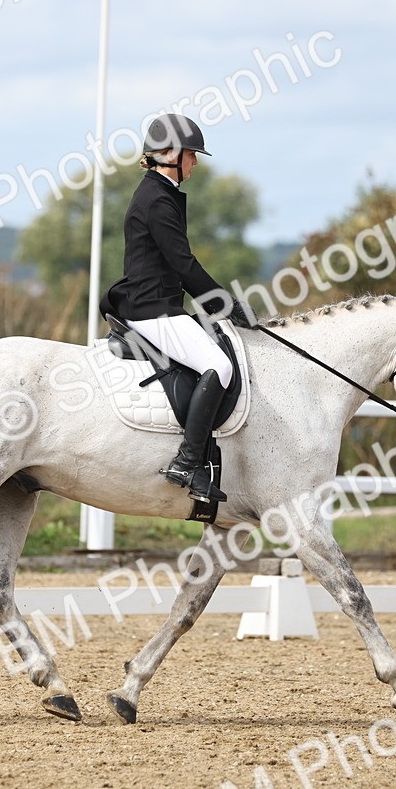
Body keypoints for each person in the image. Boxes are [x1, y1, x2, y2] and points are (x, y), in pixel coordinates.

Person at [99, 114, 257, 504]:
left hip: (158, 303)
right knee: (219, 366)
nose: (196, 162)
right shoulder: (156, 199)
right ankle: (187, 462)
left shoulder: (160, 192)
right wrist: (225, 304)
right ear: (170, 154)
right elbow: (184, 264)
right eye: (191, 154)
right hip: (151, 308)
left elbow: (179, 267)